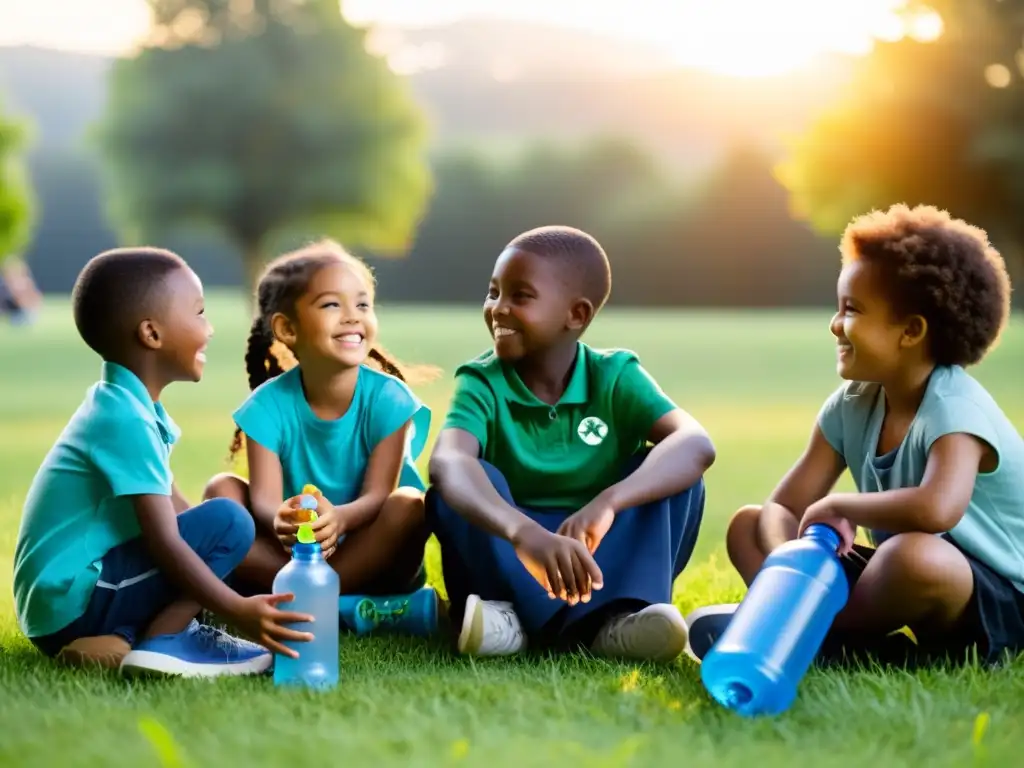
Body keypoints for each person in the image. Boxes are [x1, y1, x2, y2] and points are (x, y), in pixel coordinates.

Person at [685, 204, 1024, 668]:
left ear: (910, 331)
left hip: (993, 597)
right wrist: (793, 565)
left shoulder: (955, 408)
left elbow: (937, 508)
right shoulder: (853, 403)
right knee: (749, 524)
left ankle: (796, 634)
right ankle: (823, 633)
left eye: (852, 309)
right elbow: (784, 507)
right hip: (900, 588)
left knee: (912, 555)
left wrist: (837, 506)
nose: (835, 324)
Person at [13, 247, 312, 676]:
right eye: (199, 313)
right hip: (72, 601)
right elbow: (166, 541)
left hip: (59, 603)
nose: (208, 329)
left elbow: (179, 513)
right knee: (232, 521)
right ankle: (163, 641)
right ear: (152, 334)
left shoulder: (124, 407)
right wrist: (237, 608)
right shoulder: (125, 420)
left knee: (222, 530)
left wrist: (232, 569)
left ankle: (121, 639)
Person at [426, 225, 714, 661]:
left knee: (675, 474)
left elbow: (695, 443)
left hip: (596, 550)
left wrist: (609, 502)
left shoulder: (615, 375)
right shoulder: (482, 381)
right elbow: (448, 459)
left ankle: (621, 618)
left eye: (520, 296)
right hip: (516, 551)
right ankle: (511, 619)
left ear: (576, 315)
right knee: (459, 483)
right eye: (493, 292)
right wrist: (523, 533)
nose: (498, 309)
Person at [205, 240, 441, 637]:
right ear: (287, 329)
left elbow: (379, 495)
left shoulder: (389, 399)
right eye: (333, 305)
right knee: (221, 490)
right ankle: (349, 609)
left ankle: (304, 599)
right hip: (296, 551)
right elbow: (264, 499)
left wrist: (340, 518)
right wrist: (281, 517)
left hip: (376, 553)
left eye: (363, 305)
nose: (353, 317)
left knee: (409, 504)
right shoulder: (267, 406)